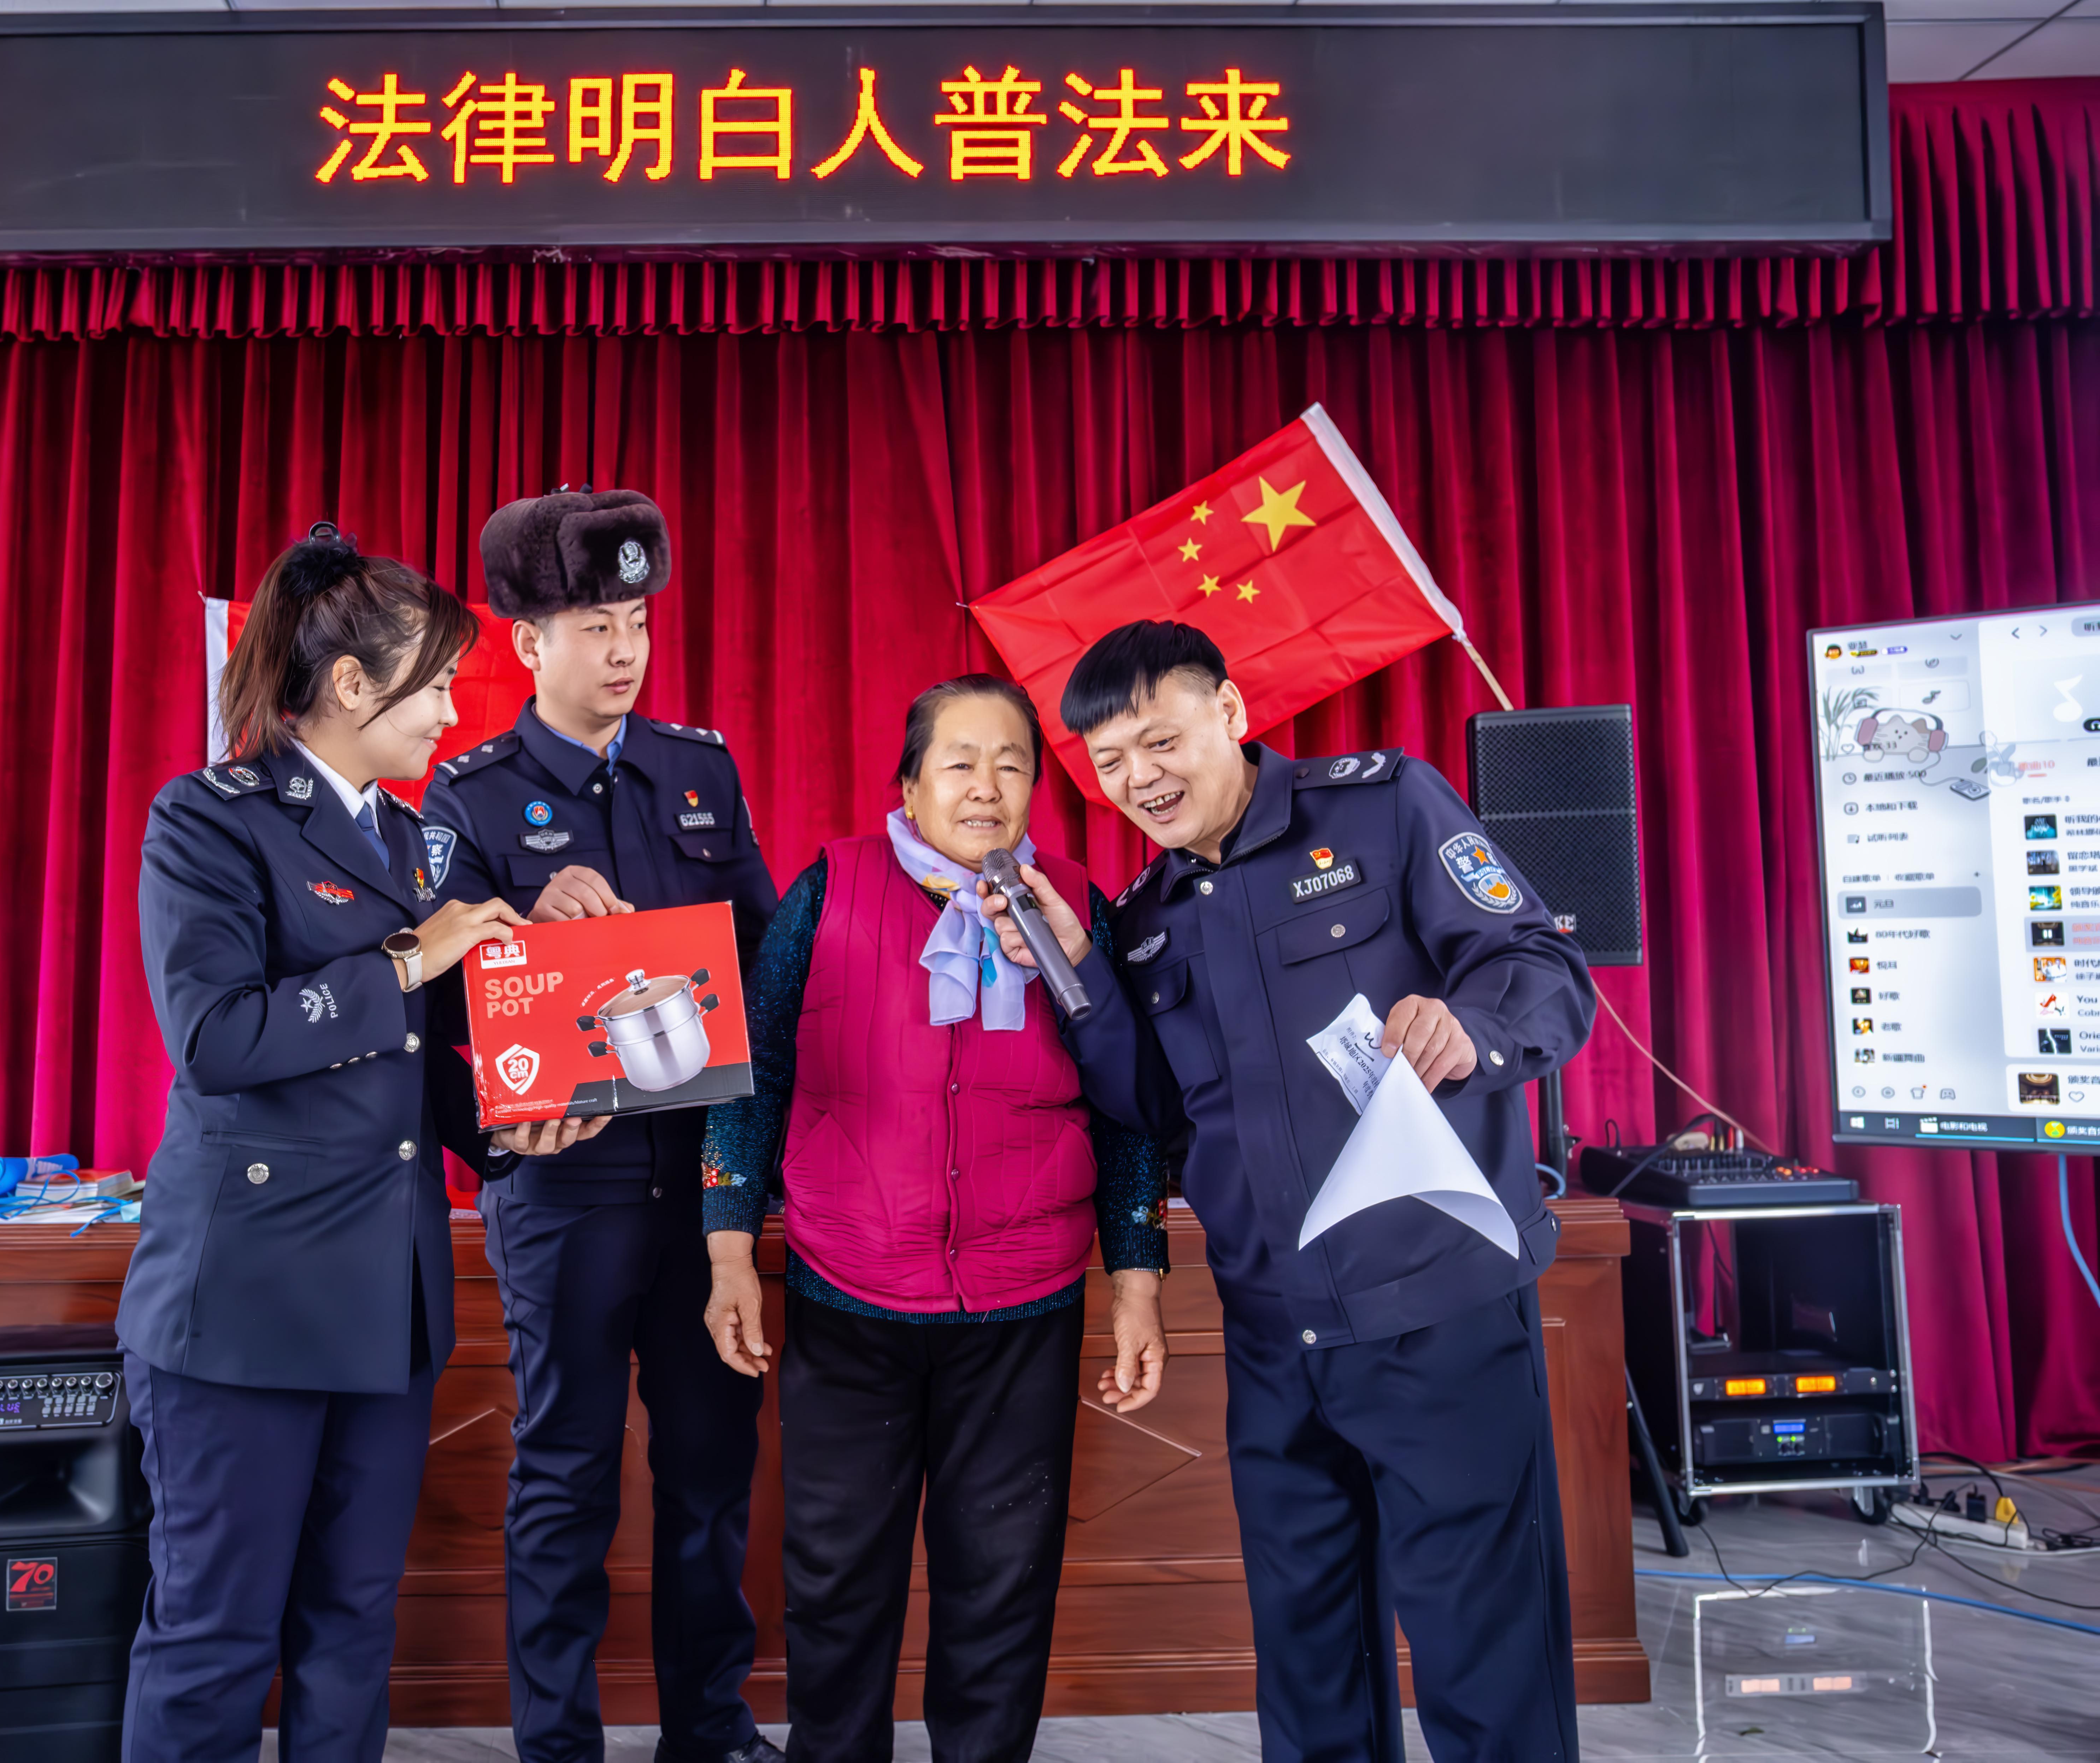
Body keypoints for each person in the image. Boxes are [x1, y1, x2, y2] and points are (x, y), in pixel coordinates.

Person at [983, 621, 1597, 1763]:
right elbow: (1152, 1110)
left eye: (1160, 741)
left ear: (1229, 711)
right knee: (1311, 1665)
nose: (1140, 780)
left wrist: (1470, 1026)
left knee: (1483, 1653)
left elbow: (1540, 963)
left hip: (1436, 1308)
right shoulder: (1148, 919)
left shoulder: (1386, 808)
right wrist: (1080, 974)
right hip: (1274, 1336)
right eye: (1109, 763)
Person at [121, 524, 606, 1763]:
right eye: (435, 685)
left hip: (387, 1304)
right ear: (350, 685)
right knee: (216, 1636)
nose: (450, 712)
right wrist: (406, 957)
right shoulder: (209, 819)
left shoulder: (411, 842)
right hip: (247, 1305)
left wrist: (516, 1124)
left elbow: (428, 1069)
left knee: (350, 1631)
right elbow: (216, 1038)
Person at [699, 674, 1171, 1763]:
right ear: (910, 786)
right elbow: (751, 1075)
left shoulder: (1077, 909)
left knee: (1002, 1585)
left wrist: (1137, 1278)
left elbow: (1129, 1111)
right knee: (836, 1580)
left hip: (1023, 1305)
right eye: (960, 763)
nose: (986, 787)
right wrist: (728, 1250)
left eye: (1012, 765)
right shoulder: (829, 890)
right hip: (849, 1297)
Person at [420, 488, 783, 1763]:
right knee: (566, 1475)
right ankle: (558, 1744)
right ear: (528, 642)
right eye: (595, 626)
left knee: (710, 1469)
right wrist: (525, 938)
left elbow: (766, 954)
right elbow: (432, 1003)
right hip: (563, 1190)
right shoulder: (467, 798)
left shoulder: (701, 769)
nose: (625, 650)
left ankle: (712, 1729)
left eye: (636, 621)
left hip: (702, 1189)